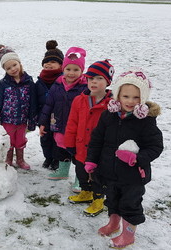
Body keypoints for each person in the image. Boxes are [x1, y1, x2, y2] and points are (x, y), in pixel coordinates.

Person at [85, 69, 163, 248]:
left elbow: (155, 147)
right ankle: (113, 224)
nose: (130, 101)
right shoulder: (108, 115)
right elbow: (97, 140)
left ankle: (128, 235)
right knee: (112, 200)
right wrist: (92, 160)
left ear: (142, 98)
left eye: (136, 97)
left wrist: (137, 158)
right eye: (125, 96)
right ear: (117, 95)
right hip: (108, 171)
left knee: (130, 204)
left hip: (133, 176)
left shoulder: (146, 121)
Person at [64, 60, 114, 216]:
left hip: (100, 151)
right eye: (90, 78)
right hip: (80, 147)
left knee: (98, 177)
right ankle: (86, 192)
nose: (94, 82)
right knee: (81, 173)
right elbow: (72, 123)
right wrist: (70, 144)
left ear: (107, 82)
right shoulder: (79, 100)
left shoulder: (112, 104)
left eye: (99, 78)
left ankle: (98, 199)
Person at [38, 47, 87, 180]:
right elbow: (48, 105)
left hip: (76, 128)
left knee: (78, 153)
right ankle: (63, 172)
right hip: (59, 124)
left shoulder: (85, 87)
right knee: (61, 149)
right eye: (68, 69)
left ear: (82, 71)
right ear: (63, 69)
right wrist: (43, 123)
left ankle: (80, 178)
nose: (71, 73)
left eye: (76, 70)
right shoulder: (57, 85)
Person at [0, 44, 37, 170]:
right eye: (8, 68)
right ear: (5, 70)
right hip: (7, 120)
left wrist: (32, 119)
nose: (13, 69)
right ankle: (8, 159)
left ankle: (20, 159)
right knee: (9, 140)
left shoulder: (29, 82)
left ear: (19, 63)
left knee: (20, 140)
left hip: (22, 120)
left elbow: (33, 102)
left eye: (14, 65)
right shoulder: (3, 84)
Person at [35, 40, 64, 171]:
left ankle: (57, 159)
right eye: (47, 62)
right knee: (45, 139)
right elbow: (35, 99)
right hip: (44, 116)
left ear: (61, 64)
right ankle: (48, 157)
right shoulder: (39, 81)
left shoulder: (63, 81)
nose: (49, 64)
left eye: (53, 62)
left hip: (59, 117)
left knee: (57, 140)